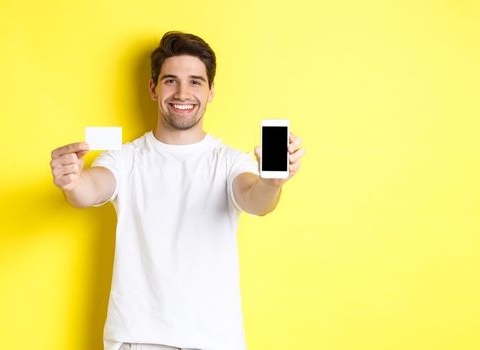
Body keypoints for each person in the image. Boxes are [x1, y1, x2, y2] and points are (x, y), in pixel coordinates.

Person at [49, 31, 305, 350]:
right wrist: (72, 182)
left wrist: (272, 182)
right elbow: (90, 190)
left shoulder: (230, 162)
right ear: (153, 88)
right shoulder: (124, 158)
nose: (183, 92)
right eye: (171, 80)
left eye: (196, 81)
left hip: (213, 341)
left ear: (211, 91)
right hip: (137, 340)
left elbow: (256, 200)